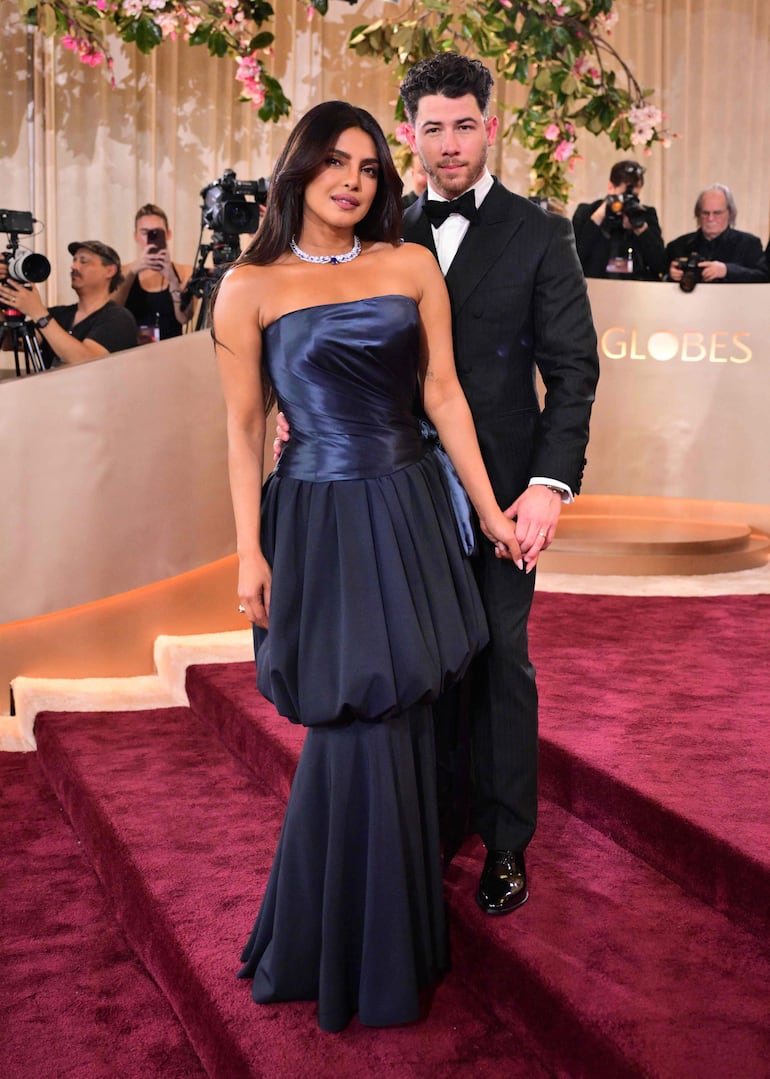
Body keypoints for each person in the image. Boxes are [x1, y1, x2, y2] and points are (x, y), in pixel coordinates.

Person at [212, 100, 522, 1033]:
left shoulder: (410, 264)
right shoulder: (248, 284)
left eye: (371, 167)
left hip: (407, 499)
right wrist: (246, 550)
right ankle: (350, 939)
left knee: (399, 708)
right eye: (335, 162)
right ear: (297, 170)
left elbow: (445, 396)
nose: (353, 180)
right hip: (314, 513)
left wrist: (490, 509)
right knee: (352, 713)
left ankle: (379, 935)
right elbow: (239, 430)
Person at [399, 53, 599, 915]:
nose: (450, 144)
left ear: (493, 124)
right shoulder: (383, 229)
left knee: (499, 659)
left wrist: (551, 483)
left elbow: (574, 369)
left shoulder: (539, 231)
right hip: (396, 488)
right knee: (417, 662)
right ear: (410, 133)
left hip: (508, 495)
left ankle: (507, 840)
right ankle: (432, 821)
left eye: (464, 124)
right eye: (433, 127)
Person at [0, 240, 138, 367]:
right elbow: (9, 342)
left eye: (83, 261)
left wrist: (39, 313)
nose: (74, 266)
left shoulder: (119, 318)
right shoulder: (58, 315)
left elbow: (88, 360)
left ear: (109, 270)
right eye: (74, 260)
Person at [572, 159, 667, 280]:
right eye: (624, 195)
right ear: (611, 187)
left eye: (635, 196)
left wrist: (641, 229)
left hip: (635, 290)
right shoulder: (587, 212)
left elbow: (660, 265)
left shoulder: (646, 215)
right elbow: (573, 261)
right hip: (595, 289)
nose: (629, 200)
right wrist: (598, 218)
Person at [113, 204, 193, 341]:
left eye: (157, 232)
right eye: (145, 233)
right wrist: (133, 271)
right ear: (136, 236)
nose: (151, 238)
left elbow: (184, 318)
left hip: (173, 353)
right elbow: (111, 315)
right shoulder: (123, 272)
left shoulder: (184, 272)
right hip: (132, 355)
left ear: (168, 234)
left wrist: (173, 280)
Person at [666, 184, 769, 284]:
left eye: (717, 213)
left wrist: (727, 271)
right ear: (698, 214)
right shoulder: (677, 246)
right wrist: (670, 276)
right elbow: (659, 279)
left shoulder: (749, 244)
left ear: (730, 213)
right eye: (705, 213)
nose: (710, 219)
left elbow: (763, 277)